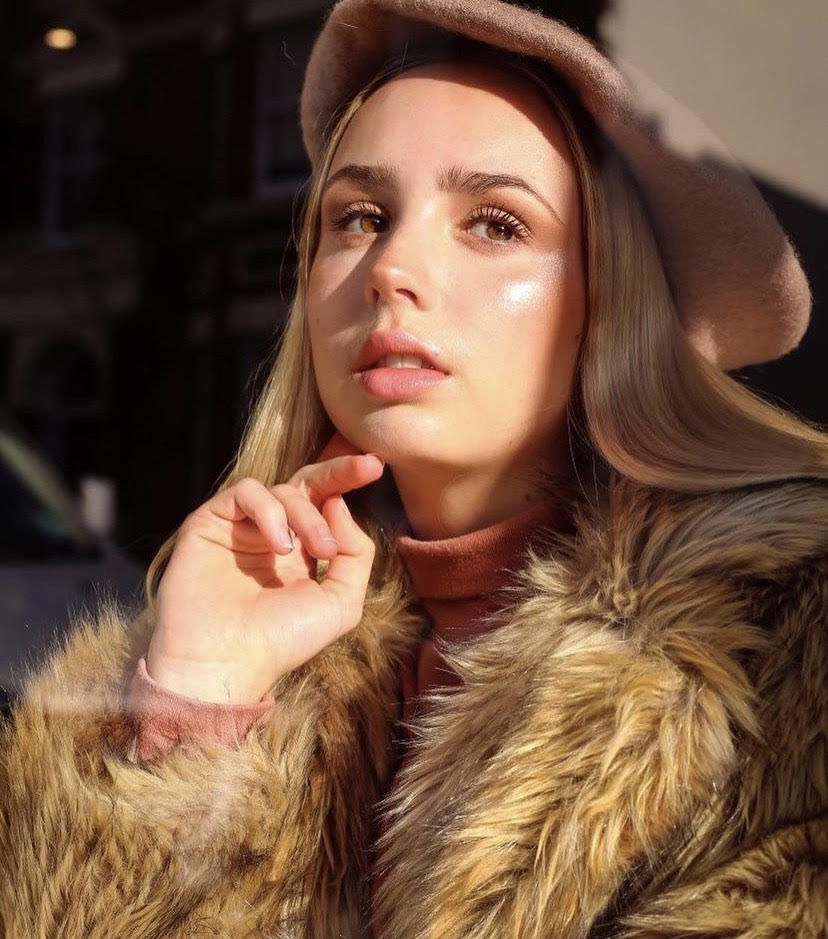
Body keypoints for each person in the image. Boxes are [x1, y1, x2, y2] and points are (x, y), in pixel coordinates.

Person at [2, 1, 826, 936]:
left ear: (611, 298)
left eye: (496, 224)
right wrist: (197, 699)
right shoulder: (244, 642)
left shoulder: (783, 644)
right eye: (360, 216)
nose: (391, 266)